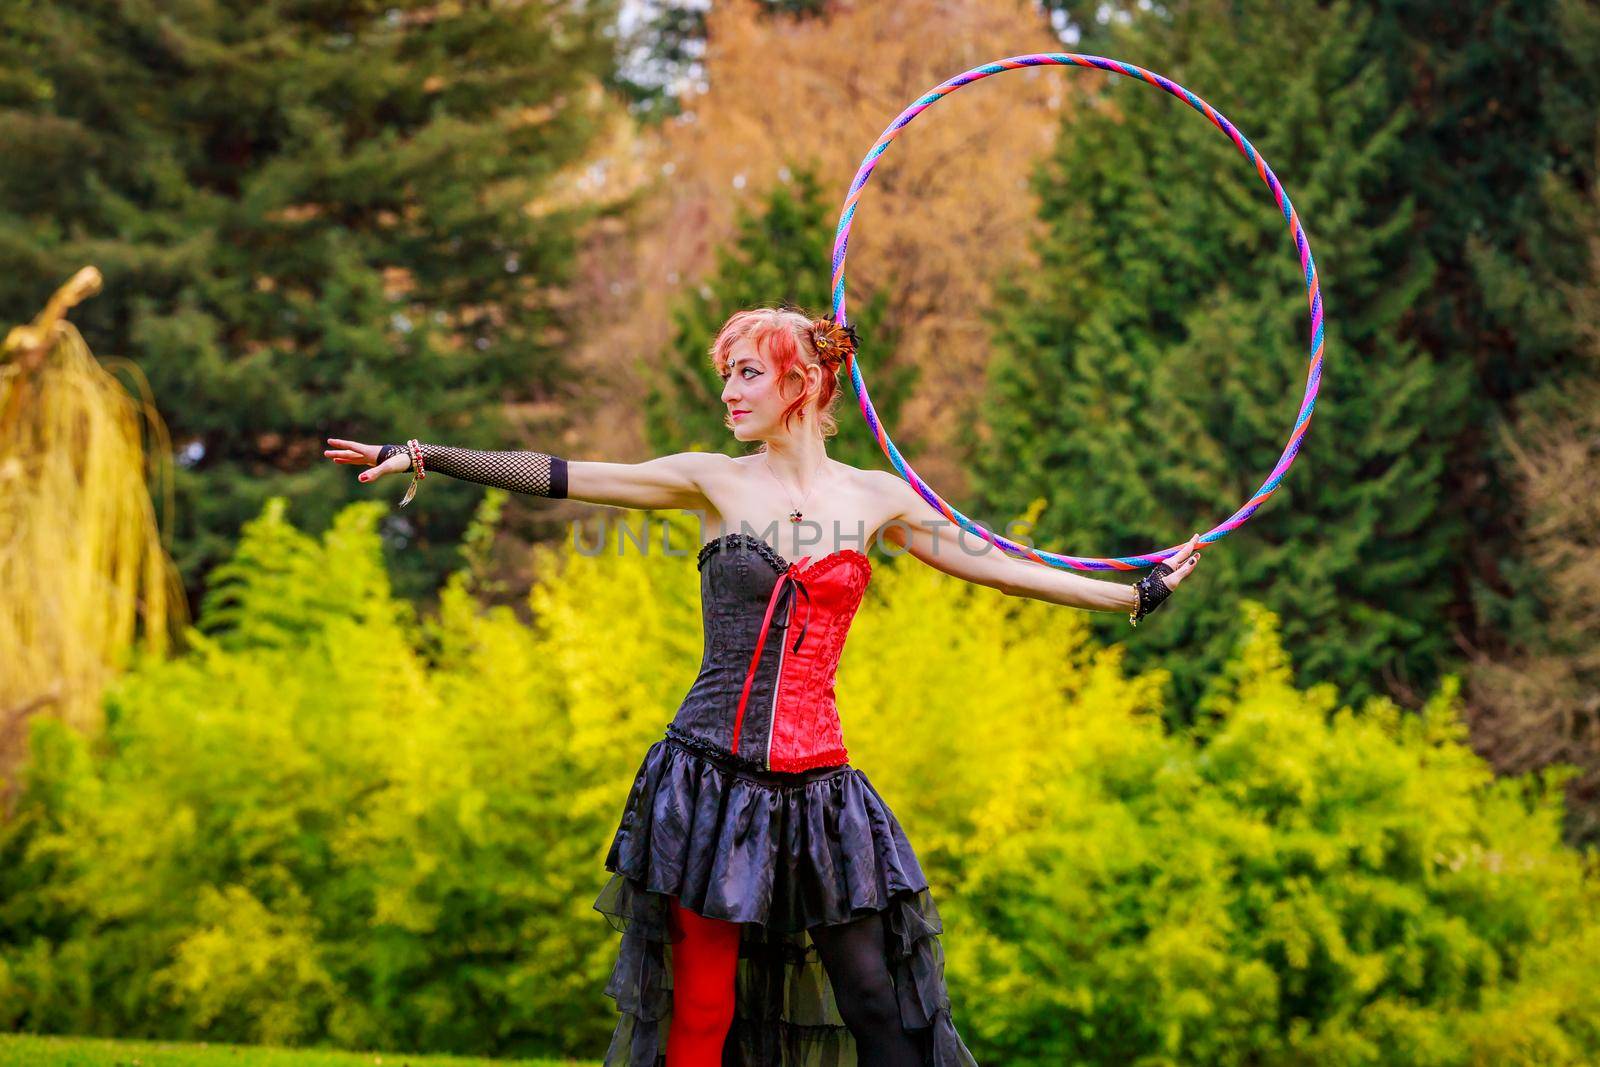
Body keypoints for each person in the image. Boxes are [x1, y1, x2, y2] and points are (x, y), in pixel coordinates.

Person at [324, 306, 1202, 1065]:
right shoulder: (712, 479)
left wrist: (1130, 591)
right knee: (702, 1014)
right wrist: (425, 454)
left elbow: (1005, 569)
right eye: (726, 375)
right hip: (709, 784)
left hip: (822, 793)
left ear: (802, 382)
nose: (729, 392)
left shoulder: (876, 497)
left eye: (747, 373)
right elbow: (565, 474)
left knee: (876, 1002)